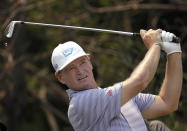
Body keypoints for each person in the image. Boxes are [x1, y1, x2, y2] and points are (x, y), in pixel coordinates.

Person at [51, 29, 182, 131]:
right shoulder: (80, 104)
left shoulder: (117, 98)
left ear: (90, 62)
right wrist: (155, 45)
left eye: (82, 62)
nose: (79, 71)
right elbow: (140, 81)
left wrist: (174, 51)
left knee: (156, 127)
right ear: (60, 77)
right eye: (71, 69)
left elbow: (167, 103)